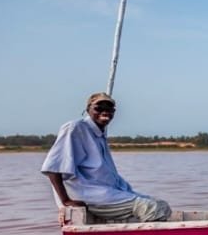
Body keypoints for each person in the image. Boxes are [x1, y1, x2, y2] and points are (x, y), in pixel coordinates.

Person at [41, 92, 171, 223]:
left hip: (108, 192)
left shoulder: (100, 133)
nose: (105, 112)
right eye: (99, 108)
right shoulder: (75, 128)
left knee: (161, 205)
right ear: (88, 110)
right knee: (151, 208)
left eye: (109, 109)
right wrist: (65, 201)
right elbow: (53, 168)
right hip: (89, 195)